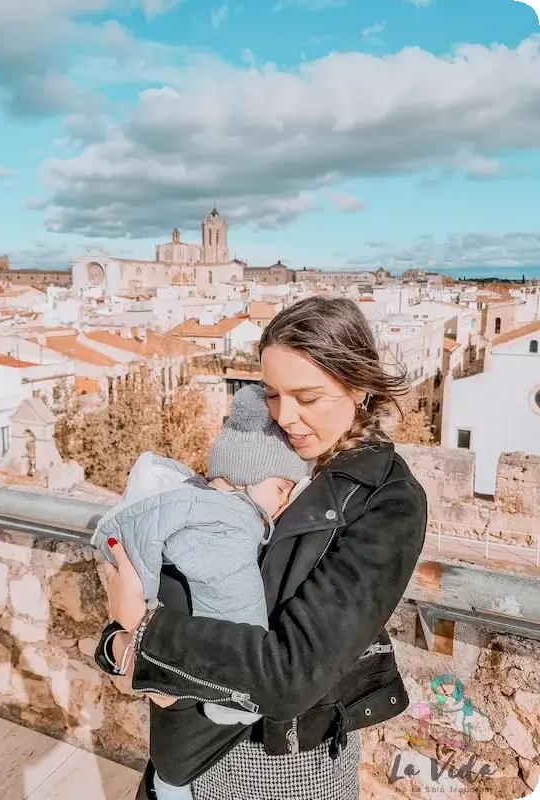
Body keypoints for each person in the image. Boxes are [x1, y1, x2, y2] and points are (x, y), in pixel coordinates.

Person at [96, 295, 428, 800]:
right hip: (184, 754)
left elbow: (291, 675)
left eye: (307, 397)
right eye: (272, 393)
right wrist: (119, 642)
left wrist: (137, 637)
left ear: (359, 387)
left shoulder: (388, 503)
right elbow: (188, 568)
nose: (286, 416)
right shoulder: (264, 451)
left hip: (282, 770)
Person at [92, 384, 311, 800]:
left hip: (176, 728)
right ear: (249, 477)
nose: (283, 505)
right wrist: (238, 701)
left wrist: (130, 635)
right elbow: (236, 603)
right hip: (197, 744)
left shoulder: (185, 504)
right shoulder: (225, 526)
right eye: (282, 489)